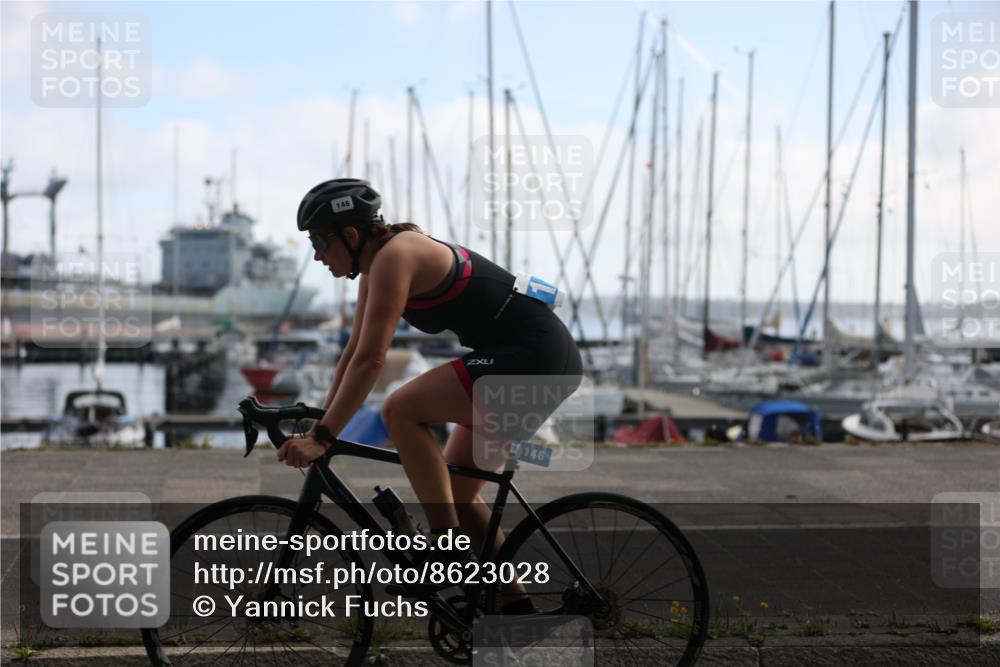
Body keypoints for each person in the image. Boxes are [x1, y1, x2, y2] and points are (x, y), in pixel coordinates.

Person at [277, 178, 582, 609]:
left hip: (534, 357)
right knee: (458, 495)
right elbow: (353, 353)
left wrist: (324, 438)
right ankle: (519, 610)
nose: (316, 255)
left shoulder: (396, 256)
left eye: (320, 242)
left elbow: (373, 361)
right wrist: (319, 422)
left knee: (400, 408)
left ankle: (446, 547)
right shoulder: (377, 265)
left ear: (350, 234)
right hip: (534, 360)